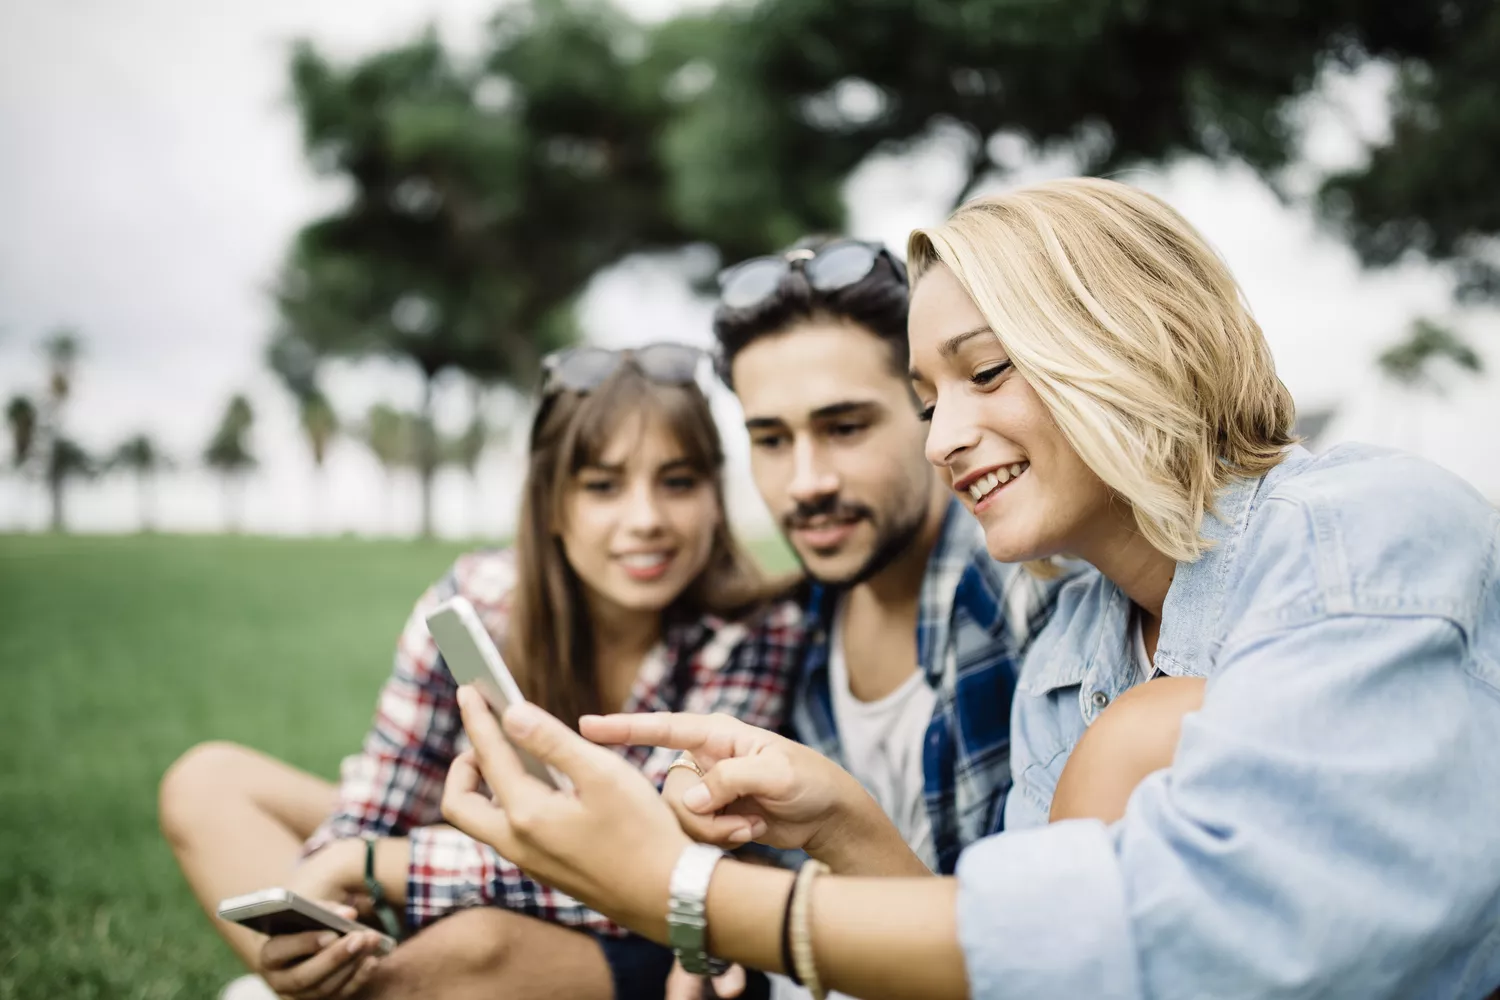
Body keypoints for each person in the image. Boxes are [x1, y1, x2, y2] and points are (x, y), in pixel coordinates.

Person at [439, 178, 1500, 1000]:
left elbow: (1199, 934)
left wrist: (692, 896)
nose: (944, 438)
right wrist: (841, 821)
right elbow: (1019, 969)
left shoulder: (1361, 531)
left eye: (986, 372)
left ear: (1132, 340)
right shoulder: (1076, 645)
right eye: (927, 398)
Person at [158, 344, 805, 1000]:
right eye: (603, 486)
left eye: (678, 482)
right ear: (552, 503)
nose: (646, 520)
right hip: (482, 875)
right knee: (208, 782)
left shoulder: (756, 631)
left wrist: (377, 864)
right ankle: (330, 979)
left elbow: (647, 865)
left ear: (715, 495)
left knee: (475, 945)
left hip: (658, 939)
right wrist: (332, 896)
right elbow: (386, 786)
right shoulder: (475, 598)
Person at [665, 239, 1064, 1000]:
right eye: (771, 440)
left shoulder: (1029, 592)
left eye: (845, 428)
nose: (807, 482)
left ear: (929, 409)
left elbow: (1035, 958)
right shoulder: (789, 628)